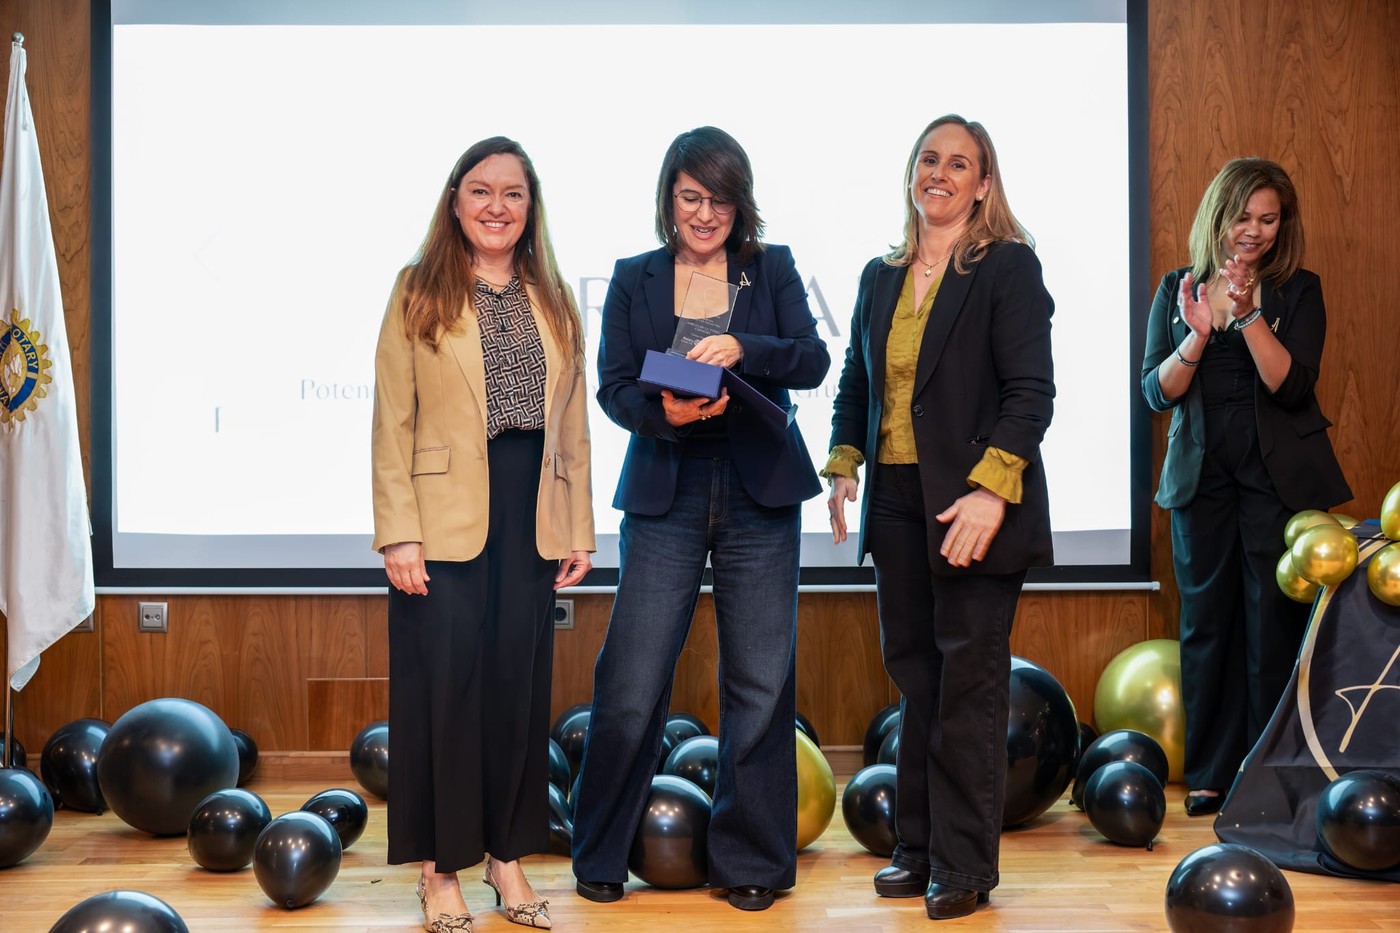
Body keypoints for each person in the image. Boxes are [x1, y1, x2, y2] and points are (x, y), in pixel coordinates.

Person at [570, 126, 830, 912]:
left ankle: (751, 861)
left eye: (720, 199)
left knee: (760, 682)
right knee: (631, 676)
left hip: (760, 493)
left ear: (739, 203)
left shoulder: (771, 267)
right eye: (691, 197)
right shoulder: (634, 277)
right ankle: (600, 852)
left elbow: (811, 359)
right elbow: (615, 385)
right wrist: (665, 413)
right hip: (667, 486)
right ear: (669, 199)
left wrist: (742, 347)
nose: (705, 213)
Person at [825, 115, 1055, 921]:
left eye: (960, 163)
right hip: (894, 502)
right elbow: (858, 379)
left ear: (983, 185)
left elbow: (1031, 392)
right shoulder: (880, 274)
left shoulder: (1008, 267)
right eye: (929, 158)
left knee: (968, 689)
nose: (940, 173)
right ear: (912, 172)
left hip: (973, 504)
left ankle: (964, 864)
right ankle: (919, 847)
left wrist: (993, 491)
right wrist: (844, 463)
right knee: (918, 680)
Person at [372, 136, 595, 932]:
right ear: (455, 201)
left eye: (513, 193)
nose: (497, 206)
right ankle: (439, 870)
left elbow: (573, 427)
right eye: (481, 190)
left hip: (531, 515)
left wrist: (578, 527)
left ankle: (506, 856)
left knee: (515, 690)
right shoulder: (418, 289)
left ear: (531, 208)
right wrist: (398, 533)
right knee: (445, 691)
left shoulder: (555, 297)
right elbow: (391, 420)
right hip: (440, 521)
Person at [1140, 157, 1350, 817]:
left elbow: (1292, 386)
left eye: (1269, 219)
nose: (1255, 230)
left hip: (1275, 479)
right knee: (1205, 623)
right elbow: (1156, 391)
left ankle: (1267, 774)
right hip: (1200, 479)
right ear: (1218, 217)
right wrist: (1197, 337)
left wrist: (1251, 313)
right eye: (1244, 217)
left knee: (1271, 625)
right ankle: (1209, 773)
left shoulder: (1299, 290)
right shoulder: (1177, 287)